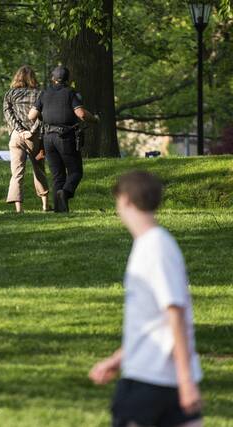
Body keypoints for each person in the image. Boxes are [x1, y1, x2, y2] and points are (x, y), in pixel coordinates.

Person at [89, 171, 203, 427]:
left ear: (127, 200)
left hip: (153, 379)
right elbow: (152, 322)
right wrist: (118, 359)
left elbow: (175, 314)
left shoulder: (156, 247)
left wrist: (185, 381)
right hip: (152, 374)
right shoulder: (149, 245)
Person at [28, 66, 98, 213]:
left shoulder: (44, 93)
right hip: (65, 137)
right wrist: (95, 119)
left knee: (57, 175)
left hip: (47, 138)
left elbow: (31, 116)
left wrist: (46, 116)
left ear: (53, 79)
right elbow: (81, 114)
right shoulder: (71, 93)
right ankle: (65, 192)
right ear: (68, 79)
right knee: (75, 172)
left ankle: (60, 209)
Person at [3, 65, 50, 213]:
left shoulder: (9, 94)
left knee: (17, 173)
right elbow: (43, 115)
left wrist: (19, 130)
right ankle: (45, 205)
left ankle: (19, 209)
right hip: (34, 137)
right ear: (32, 78)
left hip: (16, 137)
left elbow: (8, 115)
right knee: (39, 170)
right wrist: (31, 131)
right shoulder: (39, 94)